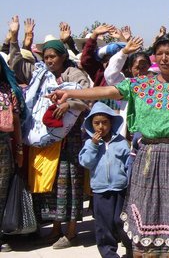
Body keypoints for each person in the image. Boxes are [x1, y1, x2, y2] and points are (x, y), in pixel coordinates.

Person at [48, 34, 169, 257]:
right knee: (147, 216)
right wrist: (70, 92)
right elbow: (106, 90)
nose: (164, 58)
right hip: (149, 159)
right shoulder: (141, 84)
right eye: (159, 54)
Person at [6, 16, 90, 249]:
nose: (49, 60)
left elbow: (89, 100)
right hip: (45, 140)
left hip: (68, 140)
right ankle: (55, 229)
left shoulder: (74, 76)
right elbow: (16, 66)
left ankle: (72, 232)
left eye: (53, 56)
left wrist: (69, 104)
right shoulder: (40, 73)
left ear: (63, 56)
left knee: (69, 185)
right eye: (46, 56)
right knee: (50, 186)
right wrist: (15, 38)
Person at [79, 102, 132, 258]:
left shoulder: (121, 142)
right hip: (100, 190)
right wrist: (94, 145)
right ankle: (109, 254)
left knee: (121, 222)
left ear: (111, 123)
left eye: (104, 122)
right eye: (96, 123)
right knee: (104, 225)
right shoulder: (90, 143)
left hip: (120, 189)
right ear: (91, 125)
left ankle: (131, 250)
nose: (101, 127)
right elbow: (86, 162)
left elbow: (129, 164)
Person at [0, 54, 24, 252]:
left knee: (1, 191)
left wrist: (19, 150)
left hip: (3, 146)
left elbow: (16, 122)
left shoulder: (8, 90)